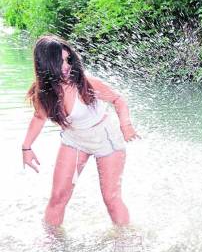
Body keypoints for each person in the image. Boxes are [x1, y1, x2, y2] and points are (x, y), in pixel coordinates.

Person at [21, 35, 138, 227]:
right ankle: (51, 243)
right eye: (60, 61)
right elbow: (39, 118)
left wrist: (126, 126)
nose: (67, 66)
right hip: (74, 139)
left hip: (105, 138)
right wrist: (26, 147)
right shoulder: (43, 93)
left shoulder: (86, 83)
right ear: (46, 65)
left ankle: (126, 240)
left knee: (111, 198)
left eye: (68, 59)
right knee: (58, 197)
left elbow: (118, 100)